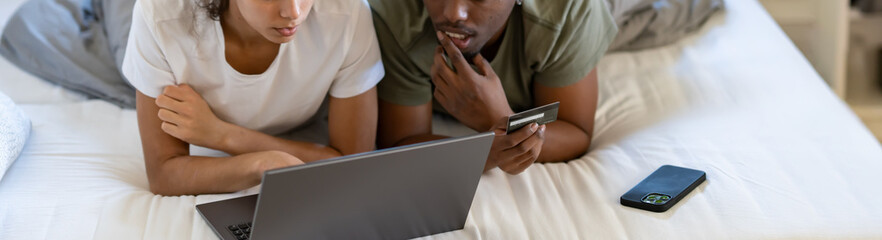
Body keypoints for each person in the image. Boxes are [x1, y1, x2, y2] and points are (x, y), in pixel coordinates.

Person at [121, 0, 384, 196]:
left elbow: (353, 167)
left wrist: (224, 136)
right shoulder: (159, 15)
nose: (293, 12)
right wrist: (261, 163)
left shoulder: (347, 13)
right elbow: (163, 175)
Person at [369, 0, 617, 174]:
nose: (454, 13)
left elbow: (575, 130)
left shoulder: (567, 12)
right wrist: (487, 152)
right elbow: (400, 143)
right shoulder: (395, 17)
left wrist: (501, 119)